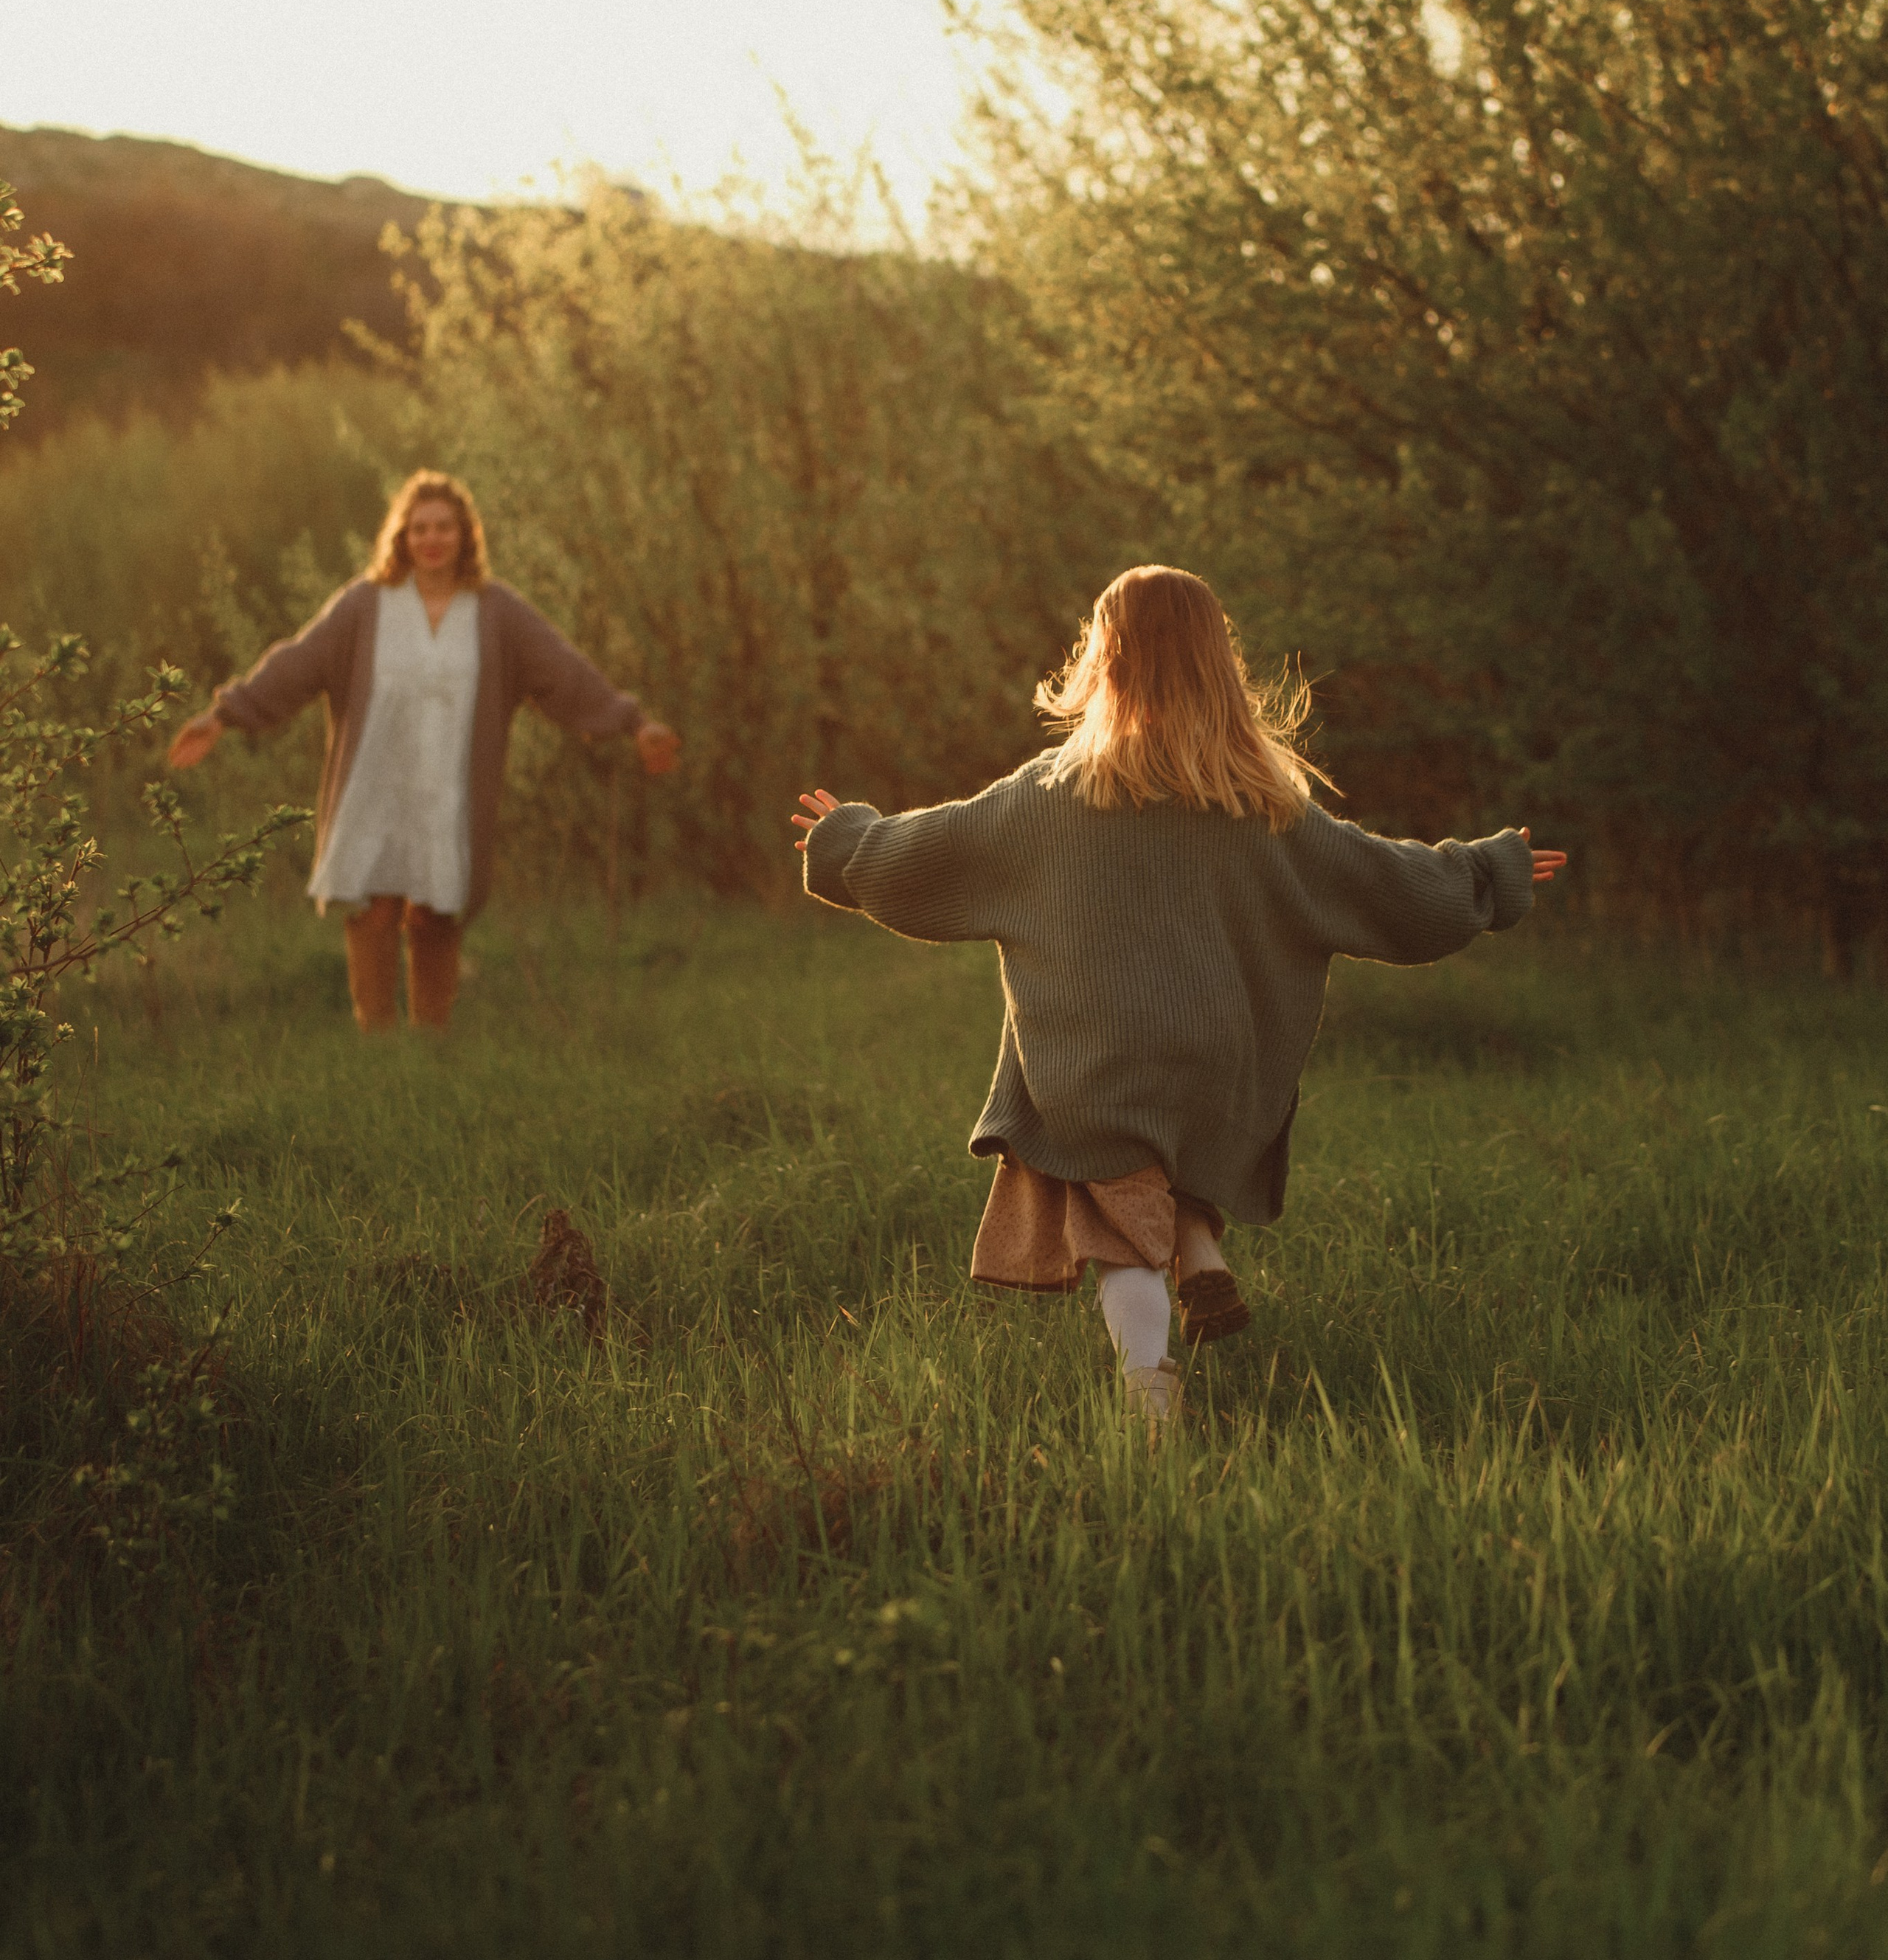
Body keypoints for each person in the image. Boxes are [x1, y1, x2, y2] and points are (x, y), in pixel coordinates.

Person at [793, 564, 1566, 1424]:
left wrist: (844, 840)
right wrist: (1485, 873)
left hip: (1100, 1066)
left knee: (1120, 1226)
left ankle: (1146, 1392)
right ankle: (1197, 1244)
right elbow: (1384, 877)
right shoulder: (1264, 803)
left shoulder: (1049, 795)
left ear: (1102, 661)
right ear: (1217, 664)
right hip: (1218, 1059)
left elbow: (929, 851)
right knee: (1174, 1148)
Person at [167, 470, 679, 1033]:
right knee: (375, 907)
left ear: (466, 536)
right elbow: (298, 662)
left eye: (444, 528)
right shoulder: (366, 605)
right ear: (401, 537)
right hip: (375, 782)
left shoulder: (495, 612)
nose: (431, 539)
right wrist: (224, 714)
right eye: (419, 529)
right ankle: (378, 1041)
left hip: (451, 788)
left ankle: (431, 1042)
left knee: (435, 913)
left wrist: (633, 723)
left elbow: (564, 671)